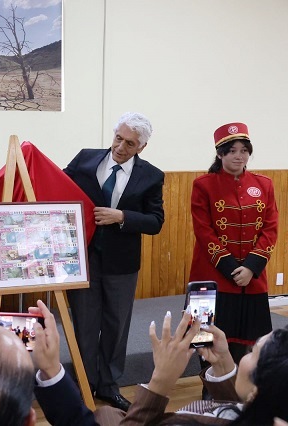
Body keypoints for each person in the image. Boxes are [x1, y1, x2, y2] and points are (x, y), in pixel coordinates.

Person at [63, 112, 165, 411]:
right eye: (118, 138)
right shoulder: (84, 159)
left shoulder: (151, 175)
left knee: (116, 326)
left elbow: (156, 221)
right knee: (84, 324)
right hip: (83, 258)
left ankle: (108, 385)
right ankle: (84, 384)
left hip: (122, 264)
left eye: (130, 143)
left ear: (141, 147)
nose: (120, 147)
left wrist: (122, 217)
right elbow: (57, 186)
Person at [94, 309, 288, 425]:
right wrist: (222, 362)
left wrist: (160, 381)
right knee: (108, 413)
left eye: (252, 351)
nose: (246, 354)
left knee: (104, 415)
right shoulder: (271, 410)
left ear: (259, 392)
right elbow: (244, 410)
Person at [189, 122, 278, 364]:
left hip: (252, 276)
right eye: (232, 151)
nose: (239, 156)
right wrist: (229, 267)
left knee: (246, 337)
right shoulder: (203, 185)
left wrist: (251, 268)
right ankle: (208, 384)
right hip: (211, 273)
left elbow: (271, 228)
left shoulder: (264, 184)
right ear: (220, 154)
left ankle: (235, 381)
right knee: (204, 335)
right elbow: (203, 230)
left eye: (244, 150)